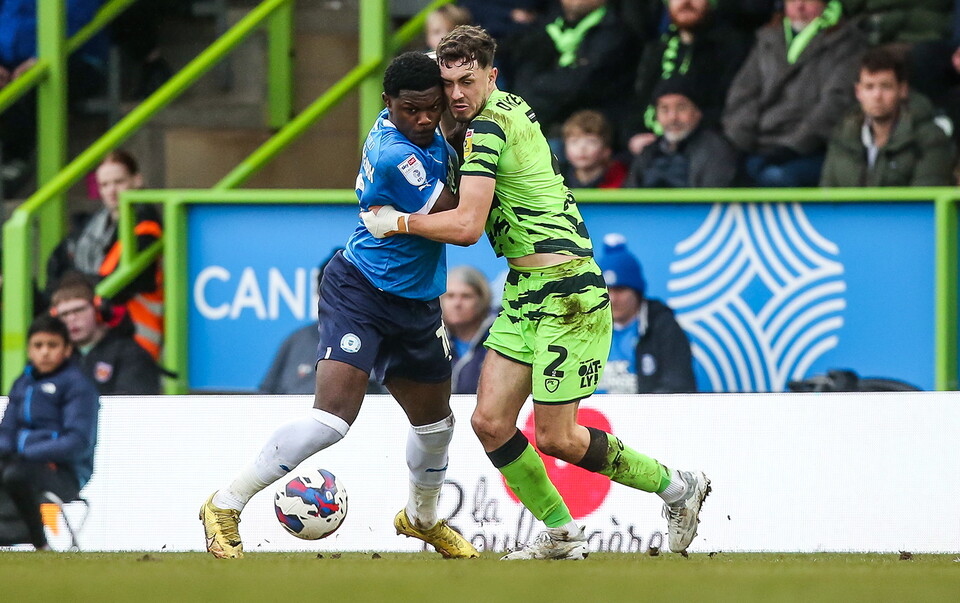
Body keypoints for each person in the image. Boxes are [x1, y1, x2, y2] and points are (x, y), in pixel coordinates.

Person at [362, 25, 710, 560]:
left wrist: (396, 222)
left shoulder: (490, 128)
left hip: (568, 290)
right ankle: (563, 533)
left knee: (557, 437)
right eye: (448, 82)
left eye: (466, 81)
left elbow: (467, 227)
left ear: (490, 77)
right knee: (490, 422)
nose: (455, 94)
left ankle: (677, 487)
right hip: (527, 289)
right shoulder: (497, 114)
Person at [200, 52, 478, 560]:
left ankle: (422, 520)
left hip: (417, 301)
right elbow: (460, 219)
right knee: (332, 419)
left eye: (433, 108)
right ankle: (224, 504)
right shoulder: (397, 154)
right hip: (362, 290)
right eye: (411, 109)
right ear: (386, 103)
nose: (424, 119)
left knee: (436, 427)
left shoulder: (420, 117)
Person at [723, 0, 867, 187]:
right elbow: (742, 95)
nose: (799, 7)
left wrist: (790, 148)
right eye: (792, 0)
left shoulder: (846, 43)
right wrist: (741, 143)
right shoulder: (767, 39)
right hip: (758, 146)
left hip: (813, 150)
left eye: (808, 0)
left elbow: (835, 104)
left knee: (775, 177)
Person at [46, 150, 164, 361]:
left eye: (119, 182)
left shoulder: (146, 224)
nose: (112, 191)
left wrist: (76, 283)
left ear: (136, 180)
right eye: (104, 185)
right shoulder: (90, 227)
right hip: (95, 335)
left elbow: (121, 283)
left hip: (135, 337)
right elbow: (57, 265)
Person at [0, 314, 99, 551]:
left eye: (52, 345)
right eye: (38, 345)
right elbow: (7, 430)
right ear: (29, 350)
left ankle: (38, 542)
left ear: (67, 350)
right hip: (21, 462)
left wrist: (26, 452)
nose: (44, 352)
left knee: (15, 475)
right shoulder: (22, 384)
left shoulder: (79, 386)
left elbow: (77, 441)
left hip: (65, 472)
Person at [624, 0, 753, 155]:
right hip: (652, 145)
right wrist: (633, 135)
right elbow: (638, 100)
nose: (685, 2)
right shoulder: (657, 48)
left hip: (705, 146)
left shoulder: (731, 47)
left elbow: (733, 109)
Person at [506, 0, 641, 141]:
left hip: (594, 130)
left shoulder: (617, 32)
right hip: (544, 119)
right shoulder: (550, 27)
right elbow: (524, 70)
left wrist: (537, 88)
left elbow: (580, 84)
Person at [820, 47, 955, 187]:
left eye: (885, 87)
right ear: (858, 92)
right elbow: (827, 197)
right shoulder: (842, 135)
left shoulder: (930, 138)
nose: (877, 96)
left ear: (902, 90)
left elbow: (926, 201)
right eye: (869, 87)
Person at [596, 234, 696, 394]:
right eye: (607, 290)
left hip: (645, 417)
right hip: (591, 417)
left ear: (637, 292)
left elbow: (679, 387)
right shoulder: (585, 325)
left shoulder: (663, 326)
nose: (612, 299)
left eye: (620, 290)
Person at [50, 273, 161, 395]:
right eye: (64, 314)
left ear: (98, 312)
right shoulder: (55, 357)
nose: (71, 319)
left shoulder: (130, 355)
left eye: (79, 310)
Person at [625, 75, 738, 188]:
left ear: (697, 112)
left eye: (681, 108)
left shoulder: (715, 150)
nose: (673, 117)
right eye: (665, 109)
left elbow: (712, 201)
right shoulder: (648, 153)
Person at [443, 265, 495, 394]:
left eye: (466, 296)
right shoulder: (430, 340)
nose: (457, 304)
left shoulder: (500, 338)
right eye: (450, 296)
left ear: (482, 299)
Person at [560, 110, 628, 189]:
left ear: (606, 150)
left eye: (591, 142)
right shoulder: (556, 178)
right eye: (574, 142)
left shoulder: (622, 180)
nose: (582, 148)